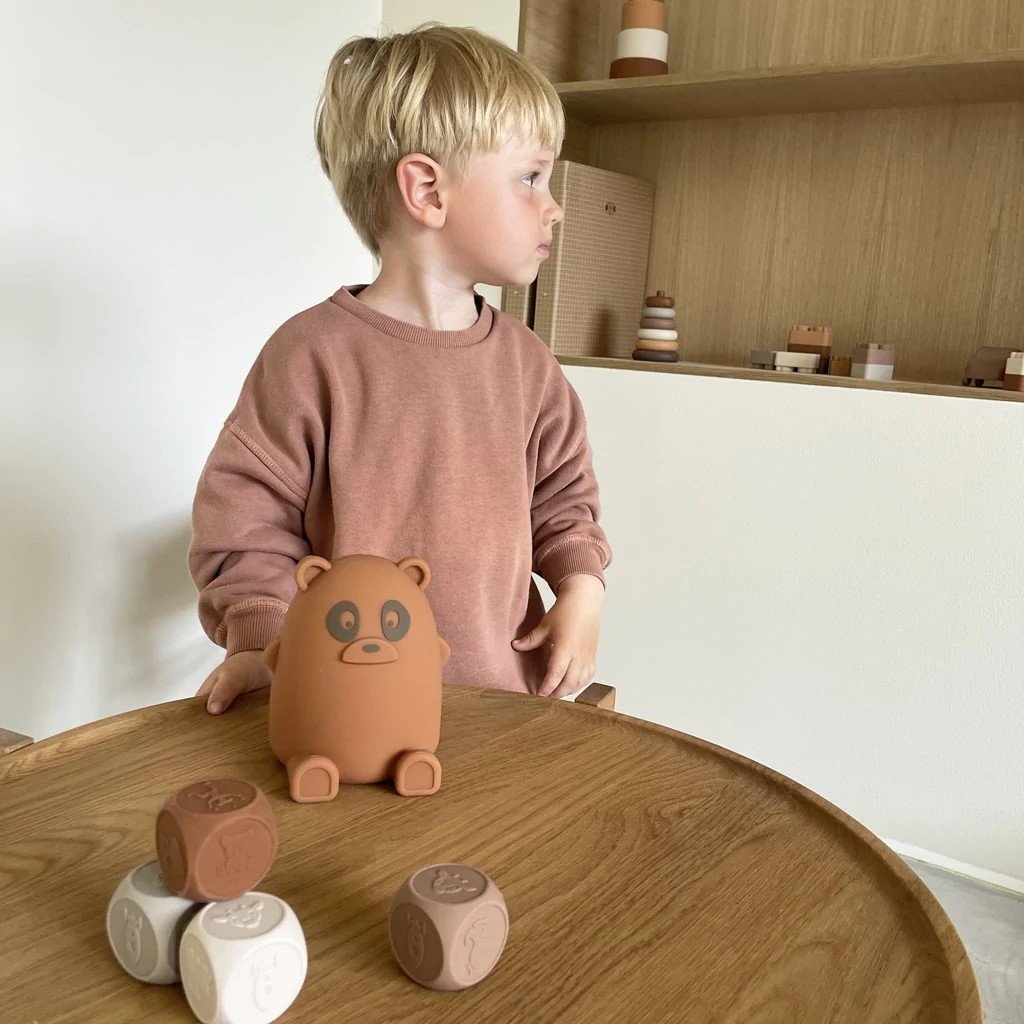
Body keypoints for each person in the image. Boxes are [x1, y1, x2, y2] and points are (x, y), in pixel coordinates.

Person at [189, 22, 612, 714]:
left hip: (504, 710)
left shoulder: (530, 368)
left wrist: (582, 587)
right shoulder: (310, 359)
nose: (554, 206)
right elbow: (244, 521)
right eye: (531, 177)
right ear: (427, 190)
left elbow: (564, 501)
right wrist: (265, 642)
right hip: (343, 714)